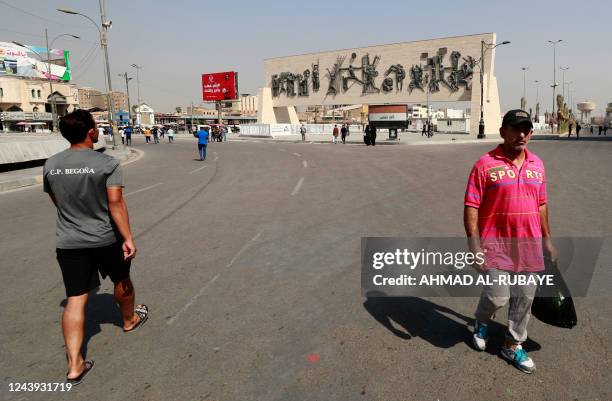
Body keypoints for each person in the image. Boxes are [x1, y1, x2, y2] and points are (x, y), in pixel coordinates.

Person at [43, 110, 148, 385]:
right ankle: (129, 320)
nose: (98, 130)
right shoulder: (106, 163)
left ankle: (75, 365)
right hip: (106, 238)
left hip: (69, 241)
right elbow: (115, 203)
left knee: (75, 299)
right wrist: (127, 237)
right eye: (96, 126)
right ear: (91, 132)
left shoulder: (50, 164)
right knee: (122, 279)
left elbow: (58, 201)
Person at [464, 109, 556, 375]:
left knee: (524, 298)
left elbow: (541, 205)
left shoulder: (537, 165)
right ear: (503, 131)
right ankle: (482, 320)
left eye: (526, 130)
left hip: (529, 246)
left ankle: (512, 343)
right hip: (495, 245)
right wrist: (473, 244)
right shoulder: (485, 164)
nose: (521, 135)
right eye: (516, 129)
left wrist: (548, 239)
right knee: (497, 296)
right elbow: (471, 205)